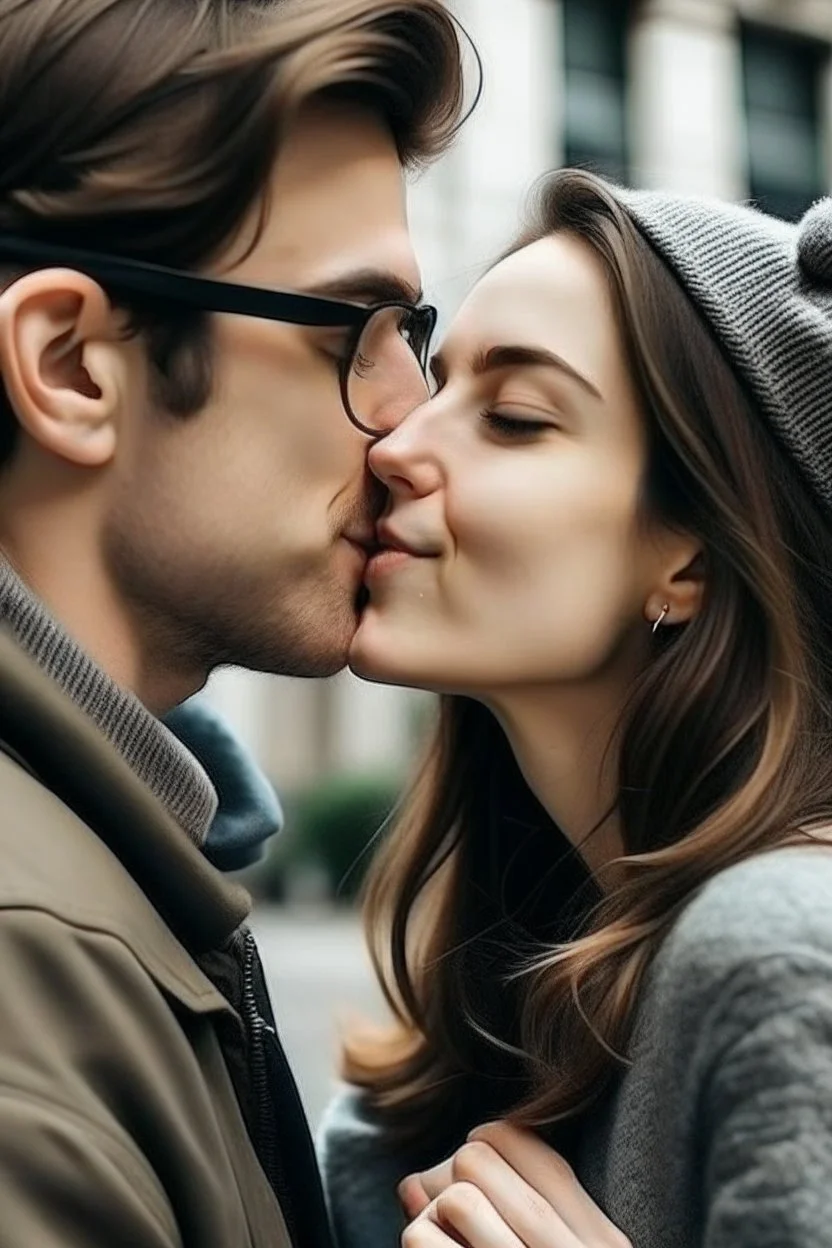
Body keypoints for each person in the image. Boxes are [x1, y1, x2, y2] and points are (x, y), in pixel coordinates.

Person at [0, 0, 470, 1242]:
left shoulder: (131, 849)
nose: (415, 422)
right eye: (355, 332)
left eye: (412, 338)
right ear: (70, 366)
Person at [318, 168, 832, 1248]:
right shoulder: (498, 1016)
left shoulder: (785, 953)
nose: (398, 449)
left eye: (511, 418)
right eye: (433, 382)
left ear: (688, 555)